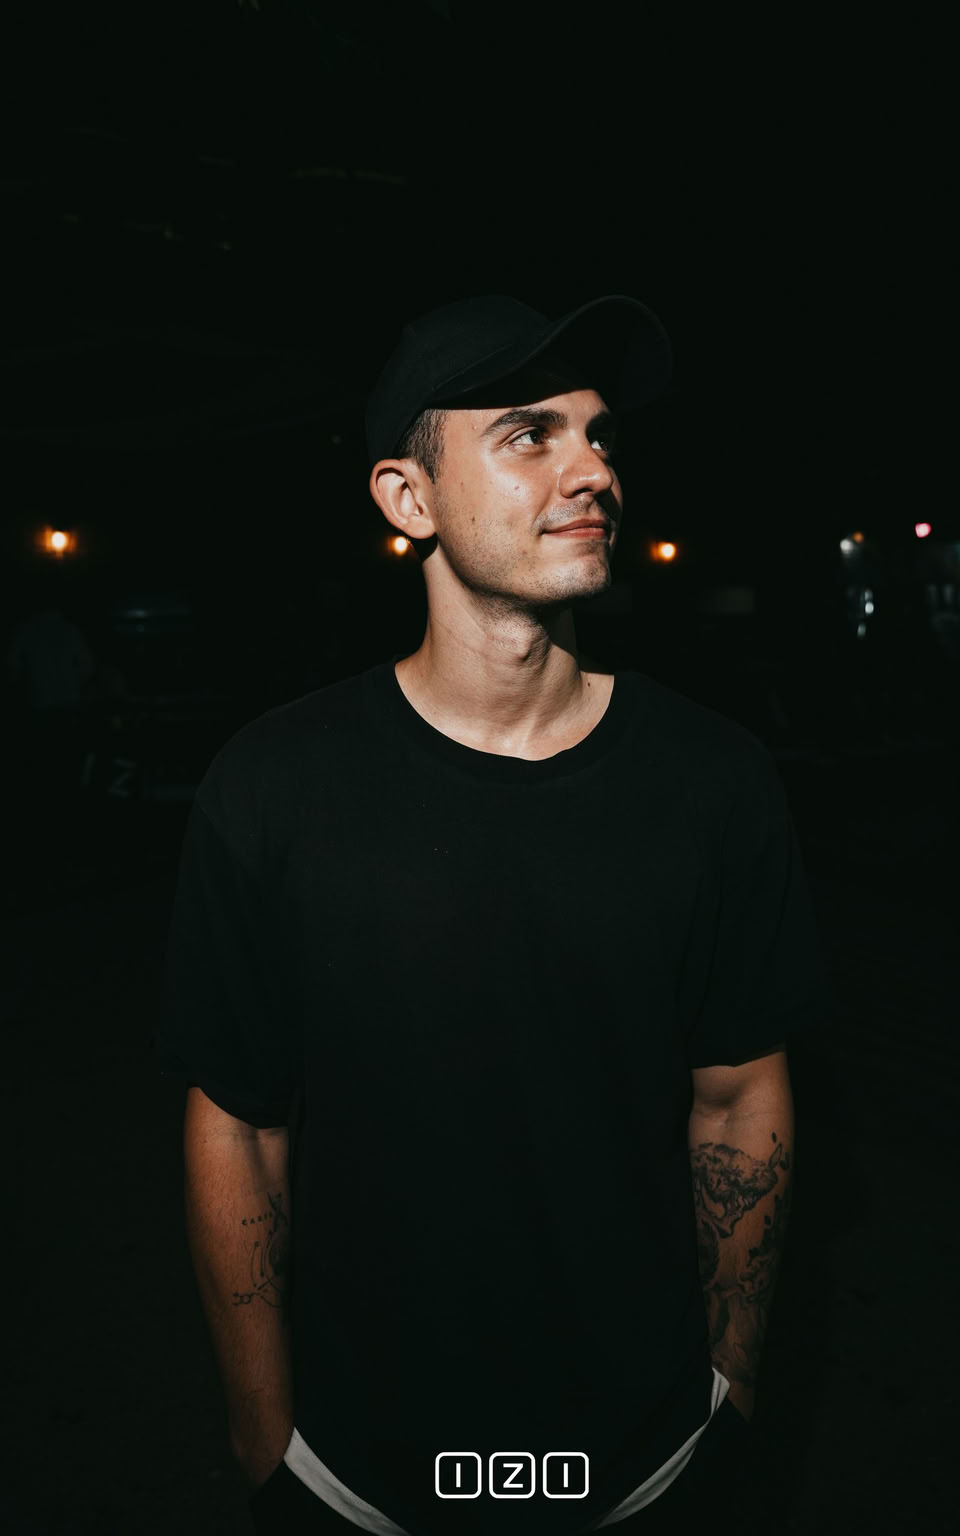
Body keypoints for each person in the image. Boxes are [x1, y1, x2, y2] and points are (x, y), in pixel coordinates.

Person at [154, 293, 832, 1534]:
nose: (593, 471)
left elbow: (740, 1094)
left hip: (646, 1459)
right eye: (528, 434)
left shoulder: (713, 780)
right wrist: (266, 1442)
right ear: (407, 499)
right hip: (362, 1472)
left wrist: (729, 1391)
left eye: (599, 434)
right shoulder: (275, 786)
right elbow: (238, 1121)